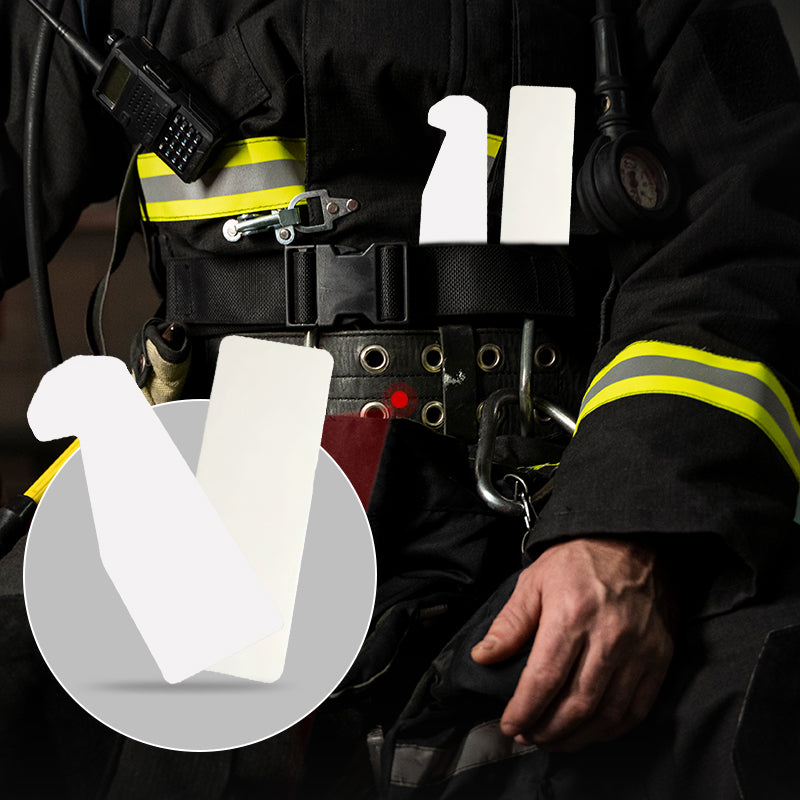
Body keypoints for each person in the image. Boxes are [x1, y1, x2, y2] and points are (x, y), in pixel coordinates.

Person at [1, 0, 799, 797]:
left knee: (755, 706)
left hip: (544, 496)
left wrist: (623, 534)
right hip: (209, 479)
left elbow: (737, 240)